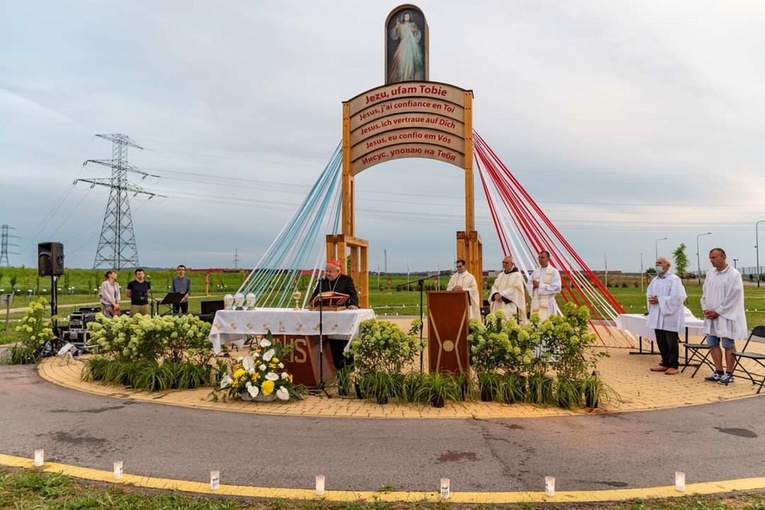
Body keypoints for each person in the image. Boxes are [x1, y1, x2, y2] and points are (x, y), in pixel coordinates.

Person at [701, 248, 748, 385]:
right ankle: (718, 371)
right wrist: (706, 309)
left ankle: (729, 373)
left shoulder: (733, 274)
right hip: (711, 316)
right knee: (712, 343)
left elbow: (734, 296)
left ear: (723, 257)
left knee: (728, 344)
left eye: (714, 257)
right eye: (710, 258)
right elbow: (704, 293)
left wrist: (719, 311)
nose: (711, 260)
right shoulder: (710, 274)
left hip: (726, 316)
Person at [311, 260, 359, 370]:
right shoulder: (322, 281)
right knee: (331, 342)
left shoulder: (346, 280)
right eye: (326, 271)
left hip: (342, 315)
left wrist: (353, 304)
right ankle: (332, 367)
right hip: (326, 316)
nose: (327, 273)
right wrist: (311, 304)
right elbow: (315, 295)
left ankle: (347, 366)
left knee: (342, 341)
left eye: (330, 271)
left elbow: (353, 295)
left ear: (338, 271)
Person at [646, 257, 687, 375]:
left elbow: (678, 297)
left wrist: (660, 300)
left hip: (669, 314)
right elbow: (649, 293)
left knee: (670, 340)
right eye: (656, 263)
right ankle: (664, 362)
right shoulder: (655, 280)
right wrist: (652, 299)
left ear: (667, 266)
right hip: (656, 313)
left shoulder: (674, 280)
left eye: (660, 263)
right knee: (661, 339)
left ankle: (674, 365)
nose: (657, 265)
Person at [387, 10, 424, 83]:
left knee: (411, 60)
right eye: (405, 16)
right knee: (401, 60)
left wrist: (415, 30)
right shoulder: (400, 25)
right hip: (403, 44)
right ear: (403, 17)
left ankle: (409, 77)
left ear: (410, 17)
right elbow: (394, 35)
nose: (406, 17)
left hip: (411, 45)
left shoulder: (412, 24)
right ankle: (402, 77)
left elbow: (417, 33)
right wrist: (397, 27)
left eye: (407, 16)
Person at [489, 255, 527, 324]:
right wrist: (495, 294)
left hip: (509, 305)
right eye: (503, 262)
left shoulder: (517, 275)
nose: (504, 264)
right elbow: (494, 286)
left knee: (508, 325)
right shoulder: (501, 275)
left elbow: (515, 289)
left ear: (512, 264)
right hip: (498, 303)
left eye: (506, 263)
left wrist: (502, 295)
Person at [527, 250, 562, 320]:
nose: (540, 259)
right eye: (539, 257)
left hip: (548, 302)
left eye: (542, 257)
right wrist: (533, 286)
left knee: (547, 322)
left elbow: (556, 287)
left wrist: (540, 285)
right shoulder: (535, 272)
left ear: (548, 259)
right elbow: (528, 285)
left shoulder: (553, 271)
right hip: (536, 302)